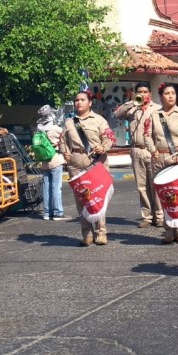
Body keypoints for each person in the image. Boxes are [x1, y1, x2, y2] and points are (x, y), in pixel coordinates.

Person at [60, 91, 115, 246]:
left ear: (90, 103)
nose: (79, 103)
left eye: (82, 100)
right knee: (81, 199)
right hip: (76, 163)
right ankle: (87, 234)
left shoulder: (99, 120)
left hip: (95, 162)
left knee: (97, 198)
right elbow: (63, 140)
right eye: (76, 100)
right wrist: (65, 152)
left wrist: (102, 147)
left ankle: (101, 232)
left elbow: (109, 138)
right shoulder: (69, 122)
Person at [145, 83, 178, 245]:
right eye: (167, 93)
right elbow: (147, 135)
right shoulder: (154, 115)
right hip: (161, 157)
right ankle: (168, 230)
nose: (170, 96)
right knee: (164, 195)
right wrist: (152, 149)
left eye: (173, 93)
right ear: (160, 96)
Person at [114, 82, 163, 228]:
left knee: (155, 184)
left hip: (152, 150)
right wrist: (132, 102)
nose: (143, 94)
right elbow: (117, 114)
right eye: (140, 91)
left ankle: (159, 215)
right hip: (136, 150)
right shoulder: (132, 109)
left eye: (145, 91)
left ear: (150, 94)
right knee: (142, 186)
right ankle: (147, 216)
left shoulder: (157, 109)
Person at [36, 106, 69, 221]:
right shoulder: (56, 129)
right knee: (56, 187)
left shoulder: (39, 129)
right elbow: (67, 138)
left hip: (44, 161)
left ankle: (47, 213)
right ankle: (57, 213)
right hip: (55, 160)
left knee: (46, 188)